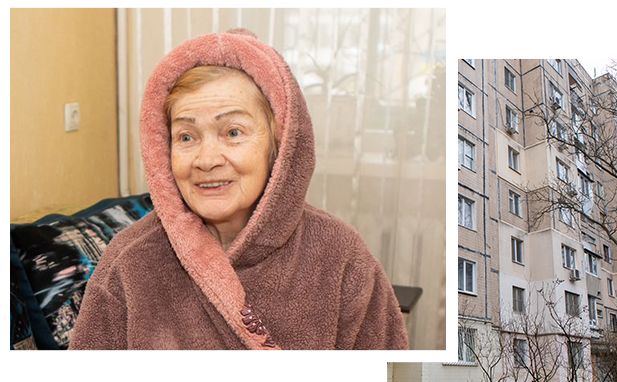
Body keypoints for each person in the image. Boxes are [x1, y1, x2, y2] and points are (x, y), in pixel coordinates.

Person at [69, 29, 408, 350]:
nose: (206, 160)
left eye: (233, 132)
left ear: (280, 145)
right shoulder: (129, 261)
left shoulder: (341, 257)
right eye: (186, 137)